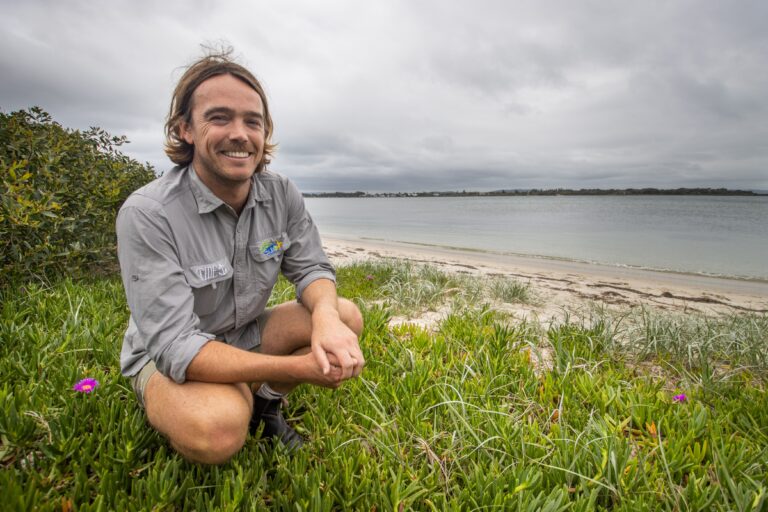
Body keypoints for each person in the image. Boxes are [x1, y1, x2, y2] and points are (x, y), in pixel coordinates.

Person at [116, 50, 365, 464]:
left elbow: (311, 268)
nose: (240, 133)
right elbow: (177, 348)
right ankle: (226, 402)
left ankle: (265, 407)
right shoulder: (148, 213)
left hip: (242, 331)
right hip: (166, 357)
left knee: (344, 315)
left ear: (265, 132)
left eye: (253, 121)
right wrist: (299, 370)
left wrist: (324, 320)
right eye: (219, 118)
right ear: (186, 130)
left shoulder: (280, 192)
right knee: (218, 430)